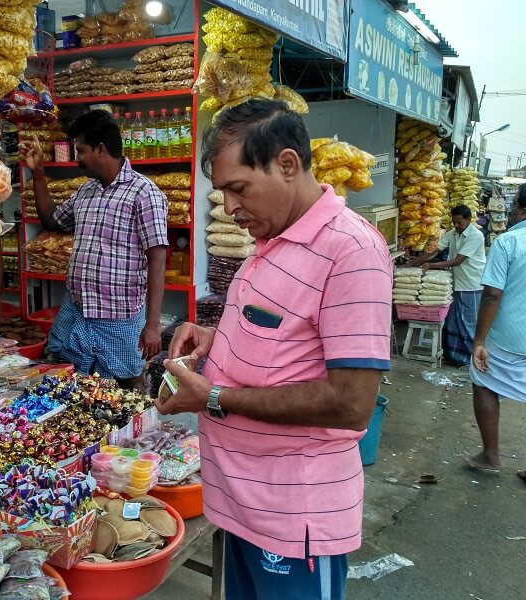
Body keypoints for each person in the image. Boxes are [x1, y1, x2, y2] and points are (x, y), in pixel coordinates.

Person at [156, 99, 392, 599]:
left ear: (287, 164)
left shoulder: (352, 252)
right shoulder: (271, 241)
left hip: (294, 517)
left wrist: (215, 397)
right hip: (242, 502)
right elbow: (285, 340)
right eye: (223, 193)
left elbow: (351, 402)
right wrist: (214, 338)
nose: (231, 207)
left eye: (239, 189)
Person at [19, 110, 168, 389]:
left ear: (101, 149)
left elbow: (157, 259)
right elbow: (52, 220)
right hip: (77, 310)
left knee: (126, 383)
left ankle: (132, 432)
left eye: (82, 151)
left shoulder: (144, 193)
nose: (78, 159)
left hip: (118, 317)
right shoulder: (86, 191)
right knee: (66, 377)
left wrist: (152, 325)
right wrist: (37, 173)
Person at [463, 183, 526, 480]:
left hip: (508, 337)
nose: (510, 209)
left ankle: (490, 455)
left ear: (523, 209)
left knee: (483, 380)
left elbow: (491, 295)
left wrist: (479, 340)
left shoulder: (508, 242)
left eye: (513, 203)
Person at [407, 205, 486, 365]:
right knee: (454, 320)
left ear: (468, 220)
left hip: (472, 284)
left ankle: (471, 359)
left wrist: (431, 266)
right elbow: (435, 250)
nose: (456, 226)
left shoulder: (475, 236)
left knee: (469, 322)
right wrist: (414, 262)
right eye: (454, 222)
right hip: (456, 282)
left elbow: (458, 261)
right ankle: (455, 356)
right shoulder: (453, 234)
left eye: (459, 223)